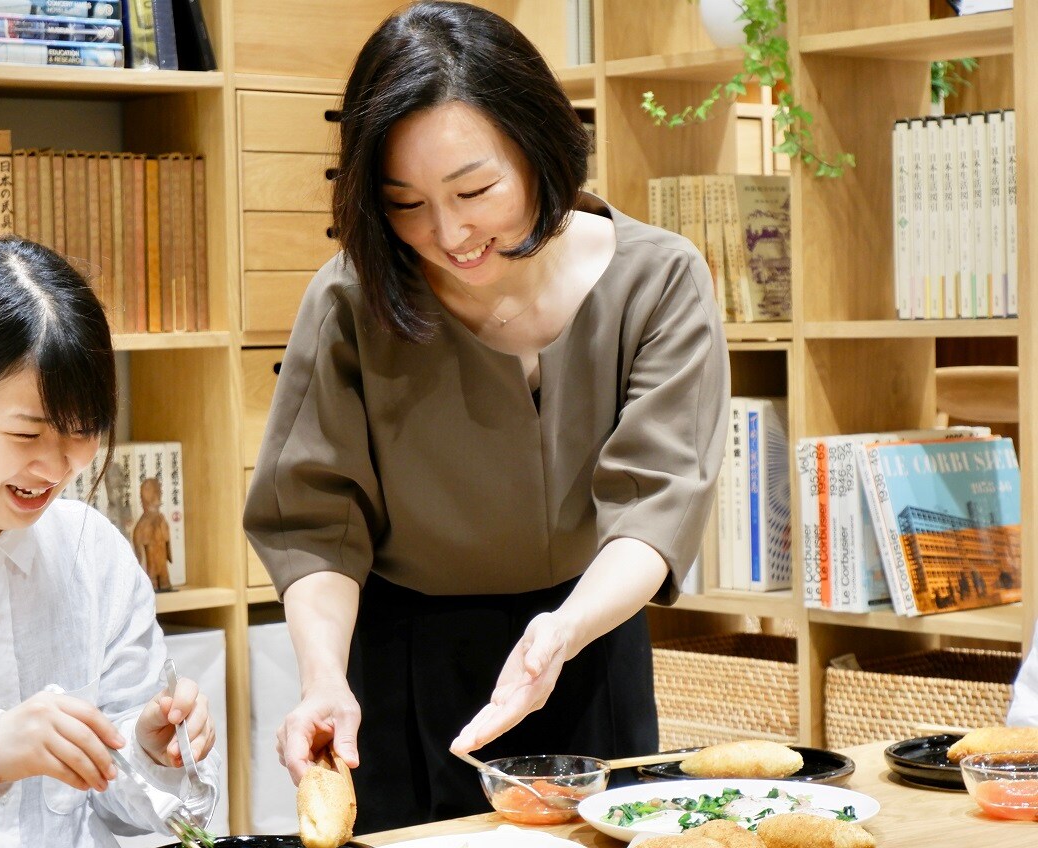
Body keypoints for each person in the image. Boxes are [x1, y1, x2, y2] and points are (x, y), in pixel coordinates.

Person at [243, 0, 728, 833]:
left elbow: (657, 506)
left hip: (589, 639)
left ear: (540, 146)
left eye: (476, 189)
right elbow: (316, 524)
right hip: (402, 662)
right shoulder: (351, 297)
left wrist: (565, 631)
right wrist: (324, 678)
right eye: (405, 203)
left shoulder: (660, 280)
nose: (449, 233)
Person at [0, 237, 220, 847]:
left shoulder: (91, 553)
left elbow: (125, 811)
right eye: (26, 433)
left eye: (82, 431)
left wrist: (150, 752)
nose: (55, 467)